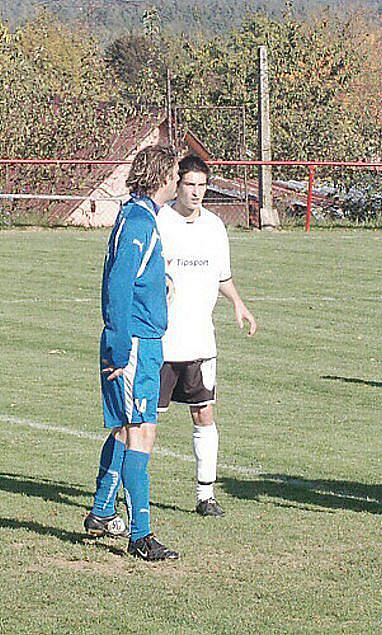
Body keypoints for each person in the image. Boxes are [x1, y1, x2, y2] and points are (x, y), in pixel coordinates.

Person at [84, 144, 180, 561]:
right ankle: (140, 534)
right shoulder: (139, 222)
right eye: (175, 176)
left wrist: (163, 283)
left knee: (127, 429)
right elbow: (118, 287)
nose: (177, 182)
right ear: (161, 178)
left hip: (144, 340)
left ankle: (103, 512)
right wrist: (120, 349)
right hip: (135, 344)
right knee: (140, 431)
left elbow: (136, 279)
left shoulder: (141, 218)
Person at [157, 155, 257, 516]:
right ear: (177, 184)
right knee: (145, 421)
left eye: (202, 186)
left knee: (204, 414)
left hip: (200, 341)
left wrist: (239, 304)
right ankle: (129, 491)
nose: (196, 192)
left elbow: (221, 276)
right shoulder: (159, 221)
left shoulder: (215, 227)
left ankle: (205, 495)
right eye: (190, 185)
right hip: (162, 341)